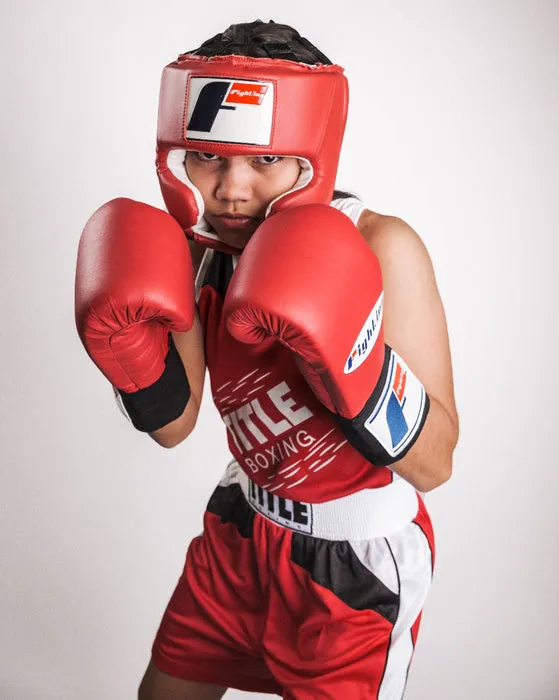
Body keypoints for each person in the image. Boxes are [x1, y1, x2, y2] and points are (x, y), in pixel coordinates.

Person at [75, 19, 459, 700]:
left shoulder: (383, 248)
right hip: (239, 529)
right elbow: (175, 425)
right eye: (209, 158)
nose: (230, 189)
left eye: (263, 160)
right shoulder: (199, 251)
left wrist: (356, 368)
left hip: (355, 567)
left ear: (312, 156)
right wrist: (126, 349)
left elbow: (436, 464)